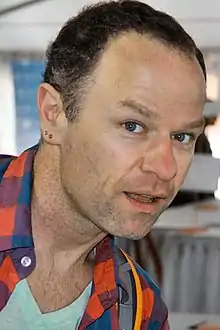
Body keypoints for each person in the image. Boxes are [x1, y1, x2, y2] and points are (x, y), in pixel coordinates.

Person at [0, 0, 206, 329]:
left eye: (182, 136)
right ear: (53, 113)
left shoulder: (140, 312)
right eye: (132, 126)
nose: (166, 169)